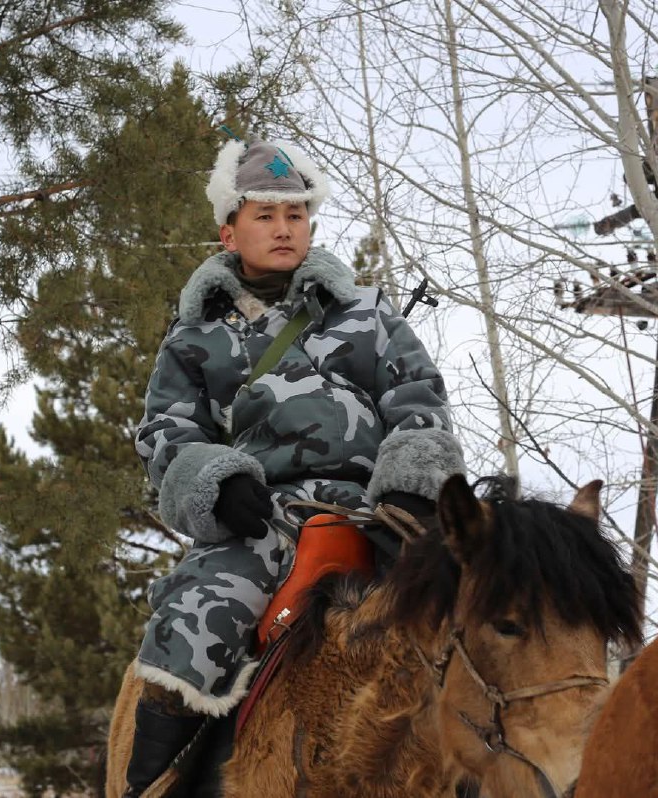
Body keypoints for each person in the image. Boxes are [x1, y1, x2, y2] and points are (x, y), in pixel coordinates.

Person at [123, 134, 466, 796]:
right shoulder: (194, 337)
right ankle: (150, 783)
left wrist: (415, 487)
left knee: (480, 613)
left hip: (379, 507)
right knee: (193, 618)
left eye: (296, 214)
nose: (284, 229)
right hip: (261, 516)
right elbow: (167, 429)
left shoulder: (367, 313)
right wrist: (213, 487)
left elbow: (419, 397)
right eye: (265, 215)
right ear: (230, 232)